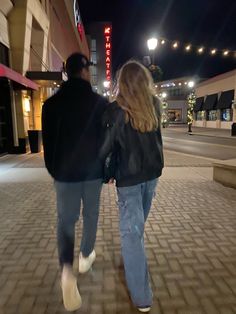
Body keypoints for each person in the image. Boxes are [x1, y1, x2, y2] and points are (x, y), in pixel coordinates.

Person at [42, 53, 108, 311]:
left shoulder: (51, 104)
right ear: (84, 71)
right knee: (91, 214)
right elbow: (106, 141)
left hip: (65, 174)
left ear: (67, 72)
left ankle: (67, 271)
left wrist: (55, 170)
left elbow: (48, 145)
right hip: (92, 173)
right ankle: (85, 255)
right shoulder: (99, 103)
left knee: (66, 221)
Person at [100, 60, 164, 313]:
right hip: (152, 174)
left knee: (131, 233)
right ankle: (132, 261)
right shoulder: (155, 105)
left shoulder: (115, 110)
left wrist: (106, 174)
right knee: (135, 229)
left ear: (122, 82)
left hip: (129, 179)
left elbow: (106, 149)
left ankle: (141, 297)